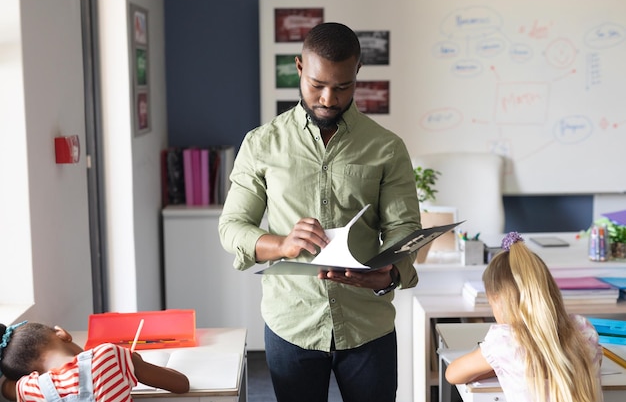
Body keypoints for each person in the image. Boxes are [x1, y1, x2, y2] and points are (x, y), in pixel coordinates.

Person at [218, 22, 421, 402]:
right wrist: (282, 243)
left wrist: (389, 272)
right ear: (299, 68)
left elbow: (405, 229)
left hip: (367, 326)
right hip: (291, 322)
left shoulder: (387, 148)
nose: (328, 98)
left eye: (342, 87)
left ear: (357, 74)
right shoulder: (261, 144)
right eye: (317, 85)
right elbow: (232, 228)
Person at [445, 232, 602, 402]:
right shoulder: (584, 328)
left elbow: (452, 374)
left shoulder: (504, 341)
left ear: (497, 299)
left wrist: (495, 366)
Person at [0, 321, 189, 402]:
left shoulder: (31, 388)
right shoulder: (108, 355)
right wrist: (133, 361)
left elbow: (6, 388)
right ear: (62, 333)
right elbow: (181, 384)